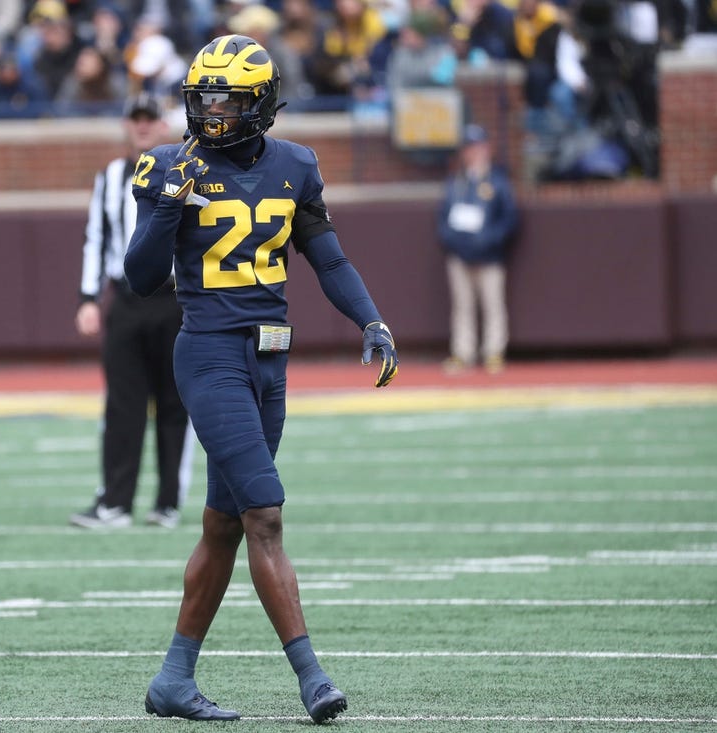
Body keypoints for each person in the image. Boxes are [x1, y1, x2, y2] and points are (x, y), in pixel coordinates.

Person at [123, 34, 398, 723]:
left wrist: (372, 319)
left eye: (227, 96)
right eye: (204, 95)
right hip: (209, 352)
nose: (211, 108)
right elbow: (138, 275)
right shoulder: (165, 163)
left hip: (271, 360)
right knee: (264, 512)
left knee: (223, 524)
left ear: (262, 103)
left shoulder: (296, 166)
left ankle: (172, 680)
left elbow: (327, 260)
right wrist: (165, 208)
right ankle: (313, 677)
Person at [70, 92, 194, 531]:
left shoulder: (187, 171)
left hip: (176, 298)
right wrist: (88, 298)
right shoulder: (110, 177)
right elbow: (95, 238)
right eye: (135, 118)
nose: (142, 126)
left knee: (175, 403)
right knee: (122, 404)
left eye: (149, 118)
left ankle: (168, 502)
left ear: (162, 124)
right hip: (125, 299)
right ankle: (115, 503)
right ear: (127, 124)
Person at [436, 122, 518, 374]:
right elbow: (444, 219)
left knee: (493, 304)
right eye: (470, 148)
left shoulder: (498, 181)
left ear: (487, 149)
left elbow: (510, 218)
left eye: (478, 147)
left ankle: (494, 352)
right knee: (462, 306)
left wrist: (490, 240)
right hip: (460, 256)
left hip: (490, 256)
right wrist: (455, 242)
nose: (474, 152)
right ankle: (463, 352)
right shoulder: (456, 182)